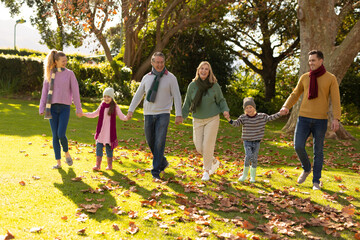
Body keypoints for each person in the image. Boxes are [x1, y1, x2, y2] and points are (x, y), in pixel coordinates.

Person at [280, 50, 341, 190]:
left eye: (313, 60)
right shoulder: (305, 77)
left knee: (318, 151)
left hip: (320, 120)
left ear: (321, 61)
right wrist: (286, 106)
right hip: (304, 118)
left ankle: (316, 181)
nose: (311, 63)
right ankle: (307, 168)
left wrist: (336, 118)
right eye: (309, 60)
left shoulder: (331, 78)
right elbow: (295, 94)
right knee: (298, 146)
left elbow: (336, 100)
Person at [127, 52, 183, 180]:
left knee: (159, 142)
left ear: (164, 63)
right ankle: (162, 162)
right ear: (152, 63)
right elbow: (138, 94)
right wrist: (131, 110)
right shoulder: (147, 77)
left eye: (161, 62)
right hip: (148, 113)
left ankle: (156, 171)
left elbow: (177, 96)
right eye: (157, 62)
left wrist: (178, 114)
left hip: (163, 113)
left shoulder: (171, 78)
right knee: (150, 140)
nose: (159, 65)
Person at [182, 61, 230, 181]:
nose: (204, 71)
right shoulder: (192, 86)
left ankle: (206, 171)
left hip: (212, 118)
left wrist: (225, 110)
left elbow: (221, 100)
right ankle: (213, 161)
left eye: (206, 69)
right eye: (201, 68)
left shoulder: (214, 86)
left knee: (207, 145)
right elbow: (187, 102)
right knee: (199, 147)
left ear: (209, 72)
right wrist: (182, 116)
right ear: (198, 70)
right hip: (197, 119)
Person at [39, 50, 83, 169]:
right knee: (54, 136)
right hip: (52, 108)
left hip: (65, 108)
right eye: (63, 61)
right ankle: (58, 162)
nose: (65, 62)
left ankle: (67, 153)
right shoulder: (50, 74)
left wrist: (79, 109)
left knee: (61, 134)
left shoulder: (70, 74)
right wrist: (41, 107)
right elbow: (44, 92)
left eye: (66, 61)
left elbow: (75, 92)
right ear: (56, 61)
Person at [225, 97, 284, 183]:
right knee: (248, 156)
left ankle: (252, 176)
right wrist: (229, 119)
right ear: (244, 109)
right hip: (247, 141)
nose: (249, 109)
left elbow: (271, 118)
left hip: (257, 142)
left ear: (254, 107)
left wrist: (280, 113)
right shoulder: (243, 117)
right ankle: (244, 175)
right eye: (246, 108)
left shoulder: (262, 116)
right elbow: (236, 124)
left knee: (254, 159)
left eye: (250, 107)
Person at [81, 87, 128, 171]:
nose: (106, 98)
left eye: (108, 97)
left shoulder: (115, 107)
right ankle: (97, 165)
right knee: (98, 147)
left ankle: (109, 165)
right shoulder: (102, 105)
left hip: (109, 133)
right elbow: (94, 114)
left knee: (109, 149)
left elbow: (122, 116)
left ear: (112, 97)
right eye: (105, 96)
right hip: (101, 132)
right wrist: (84, 114)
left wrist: (127, 117)